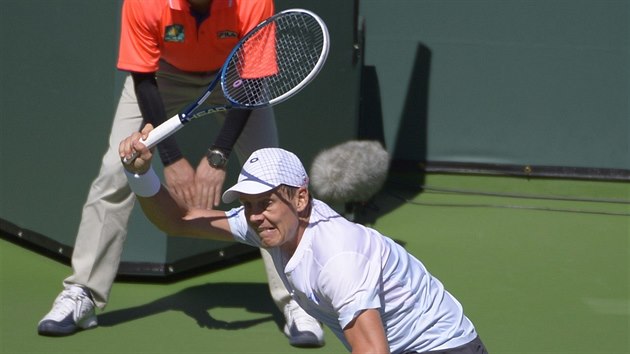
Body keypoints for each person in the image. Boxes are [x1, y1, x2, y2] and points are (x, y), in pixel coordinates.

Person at [37, 0, 324, 347]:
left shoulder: (252, 2)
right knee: (116, 171)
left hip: (236, 77)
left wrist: (218, 156)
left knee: (276, 181)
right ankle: (82, 291)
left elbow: (251, 81)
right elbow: (142, 75)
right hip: (162, 76)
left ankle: (298, 298)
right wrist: (171, 159)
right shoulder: (144, 3)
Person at [117, 125, 490, 354]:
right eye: (247, 204)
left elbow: (372, 350)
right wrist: (141, 174)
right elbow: (179, 219)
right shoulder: (266, 224)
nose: (255, 215)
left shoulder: (337, 257)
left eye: (265, 202)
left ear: (300, 198)